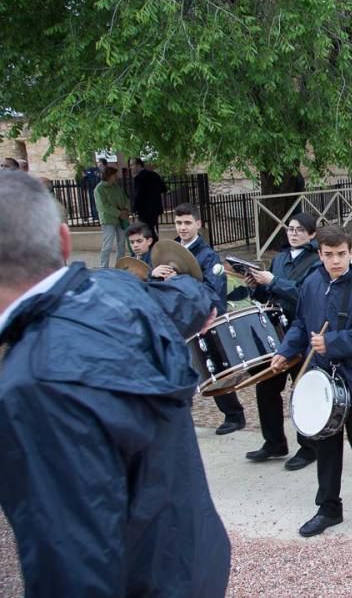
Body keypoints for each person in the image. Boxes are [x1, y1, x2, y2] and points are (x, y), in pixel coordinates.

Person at [0, 173, 230, 596]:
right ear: (64, 242)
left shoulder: (27, 387)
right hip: (196, 559)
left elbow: (71, 566)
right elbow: (191, 297)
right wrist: (182, 283)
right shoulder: (124, 291)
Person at [270, 225, 352, 537]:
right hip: (323, 378)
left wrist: (334, 342)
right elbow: (301, 323)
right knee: (326, 442)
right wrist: (285, 351)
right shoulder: (312, 283)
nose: (336, 261)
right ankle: (330, 507)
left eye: (341, 254)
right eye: (329, 255)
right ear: (320, 254)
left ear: (350, 252)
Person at [154, 202, 246, 435]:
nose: (182, 228)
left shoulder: (208, 256)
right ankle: (179, 416)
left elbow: (215, 292)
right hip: (177, 316)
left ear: (198, 224)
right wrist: (154, 275)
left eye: (187, 223)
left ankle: (234, 415)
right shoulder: (169, 250)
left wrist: (180, 280)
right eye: (178, 223)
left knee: (214, 366)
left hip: (205, 317)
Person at [243, 213, 322, 469]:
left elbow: (305, 295)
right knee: (266, 388)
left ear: (311, 234)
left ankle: (309, 447)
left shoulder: (316, 261)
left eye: (300, 230)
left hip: (301, 333)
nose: (293, 233)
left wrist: (274, 281)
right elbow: (268, 294)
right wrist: (256, 285)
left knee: (301, 389)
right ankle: (274, 442)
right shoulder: (280, 258)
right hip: (275, 333)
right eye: (290, 229)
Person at [94, 166, 130, 268]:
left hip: (121, 219)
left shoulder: (117, 187)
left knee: (121, 244)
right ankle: (104, 267)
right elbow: (104, 206)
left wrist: (126, 210)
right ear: (109, 175)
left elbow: (125, 199)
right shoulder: (99, 189)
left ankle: (120, 266)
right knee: (108, 245)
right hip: (108, 220)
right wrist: (119, 213)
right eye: (115, 175)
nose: (116, 177)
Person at [130, 157, 168, 242]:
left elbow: (138, 195)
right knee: (150, 228)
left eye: (132, 165)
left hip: (144, 210)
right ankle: (154, 244)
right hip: (155, 208)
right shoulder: (154, 175)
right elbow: (164, 188)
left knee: (146, 229)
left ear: (139, 165)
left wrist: (135, 209)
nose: (131, 167)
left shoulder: (139, 178)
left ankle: (153, 245)